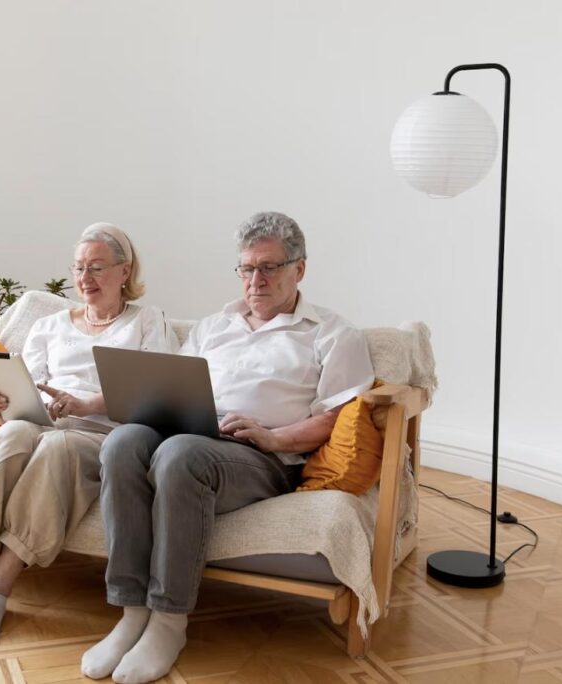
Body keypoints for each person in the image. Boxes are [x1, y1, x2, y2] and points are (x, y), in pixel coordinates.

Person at [81, 212, 375, 683]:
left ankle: (169, 621)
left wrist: (273, 436)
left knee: (180, 457)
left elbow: (338, 417)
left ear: (299, 269)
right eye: (246, 269)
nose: (255, 280)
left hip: (264, 456)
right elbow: (170, 384)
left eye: (269, 268)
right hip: (191, 432)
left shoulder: (332, 334)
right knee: (123, 442)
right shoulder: (215, 325)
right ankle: (131, 611)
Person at [0, 223, 179, 651]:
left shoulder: (148, 322)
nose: (84, 279)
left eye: (96, 268)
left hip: (104, 435)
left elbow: (158, 393)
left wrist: (88, 405)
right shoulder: (51, 325)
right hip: (42, 424)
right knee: (15, 434)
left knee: (57, 445)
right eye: (78, 269)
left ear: (124, 271)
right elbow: (25, 389)